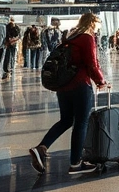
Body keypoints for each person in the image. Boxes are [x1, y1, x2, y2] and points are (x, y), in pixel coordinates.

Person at [28, 13, 110, 176]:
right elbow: (91, 64)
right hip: (80, 84)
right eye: (98, 24)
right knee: (81, 123)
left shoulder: (70, 36)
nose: (99, 27)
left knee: (66, 120)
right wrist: (101, 81)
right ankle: (75, 164)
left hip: (63, 85)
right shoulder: (87, 37)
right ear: (93, 22)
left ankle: (41, 148)